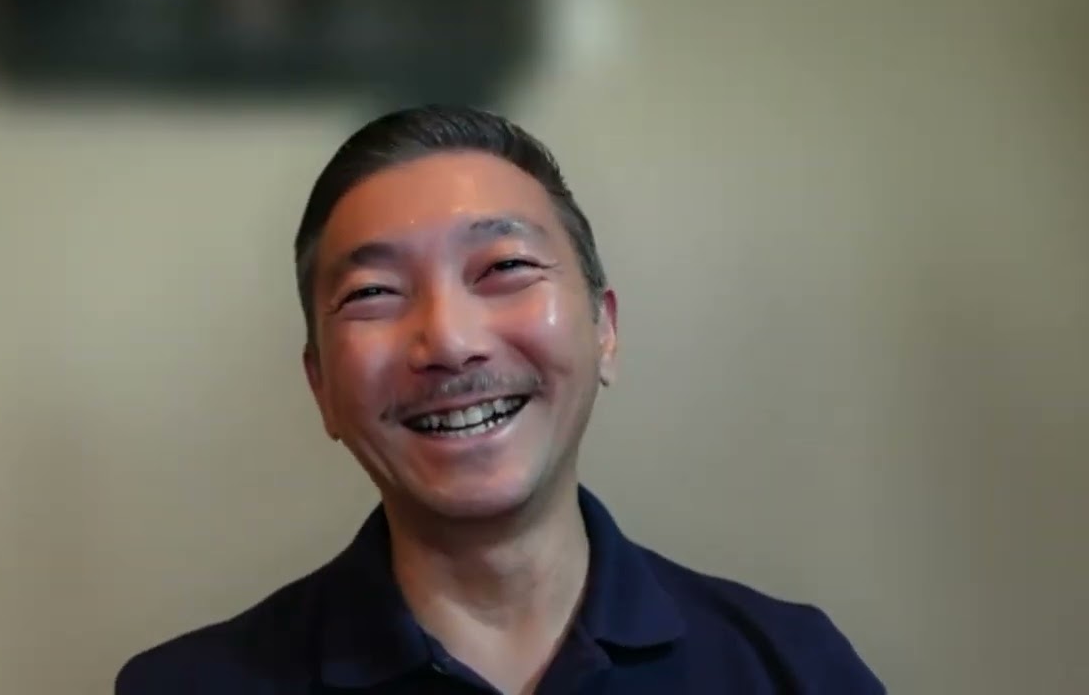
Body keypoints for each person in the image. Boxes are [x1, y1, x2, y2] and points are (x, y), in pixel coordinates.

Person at [115, 104, 884, 694]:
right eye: (374, 292)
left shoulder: (793, 668)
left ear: (604, 330)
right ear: (322, 387)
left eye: (504, 267)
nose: (449, 342)